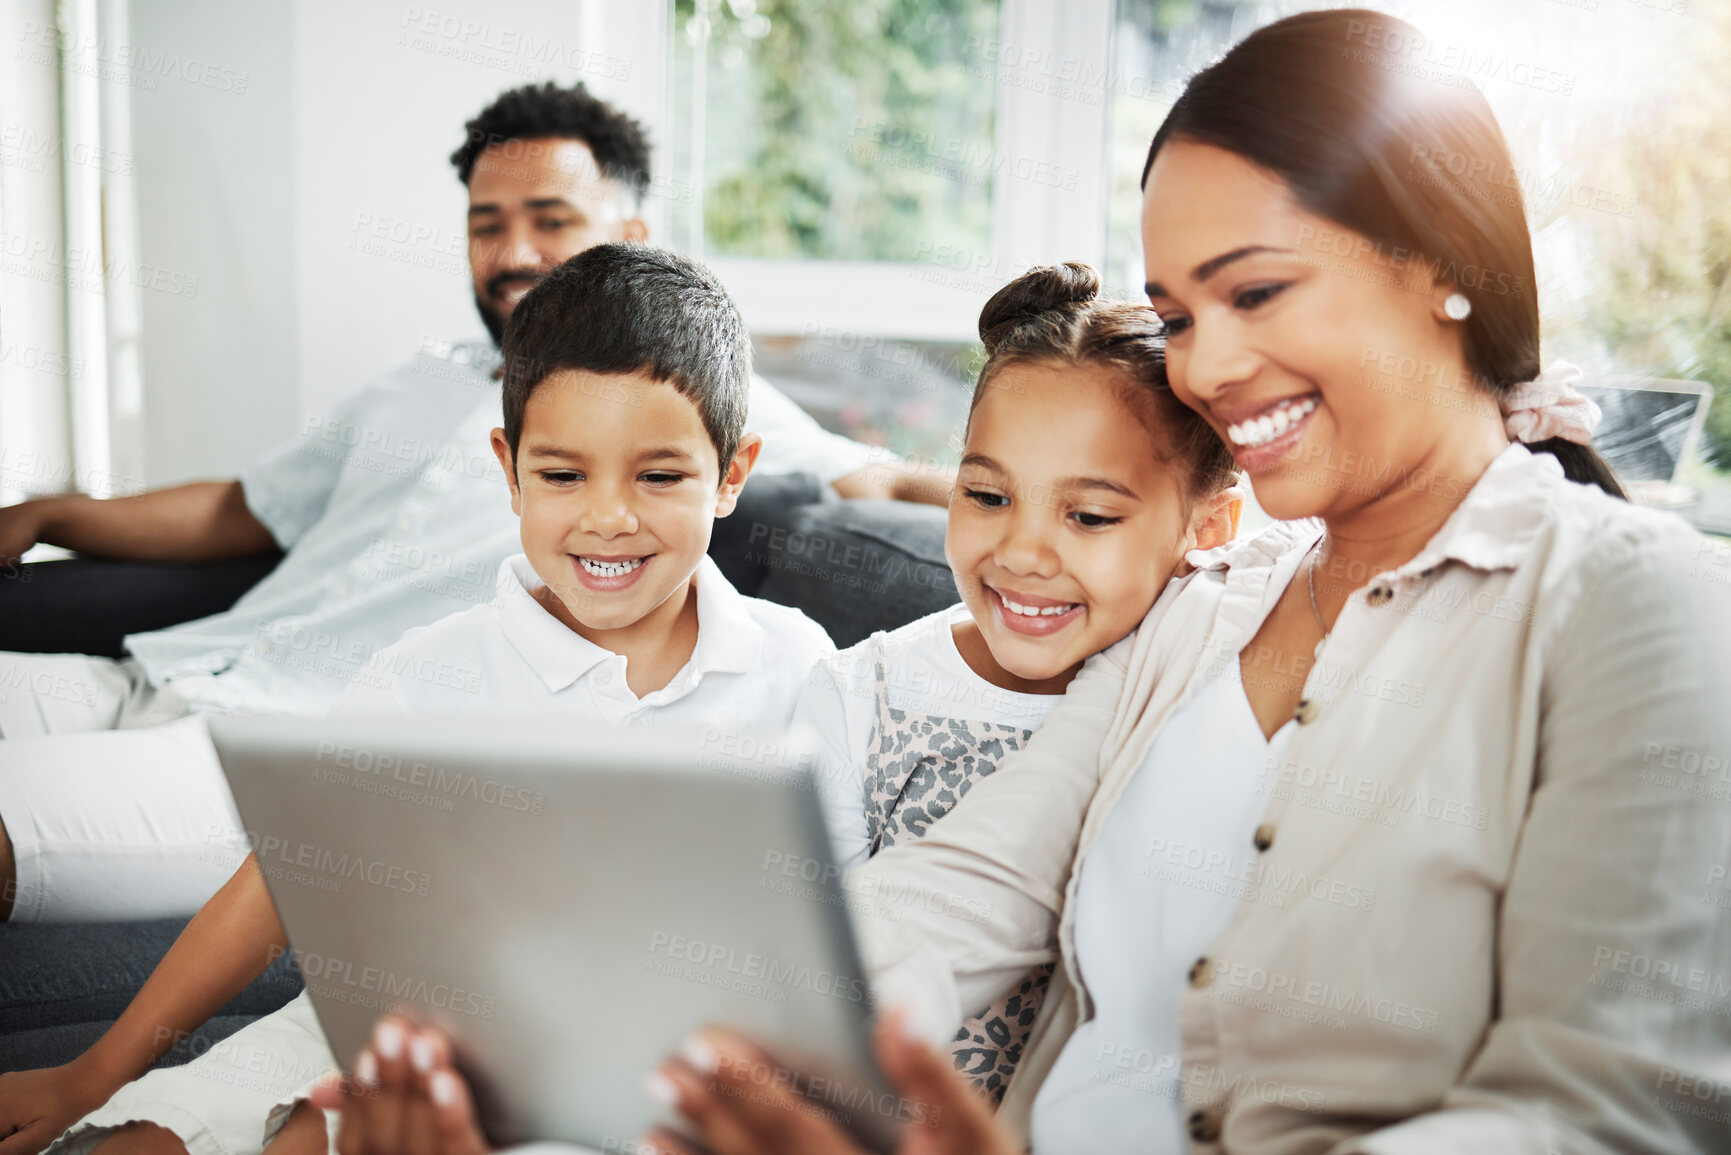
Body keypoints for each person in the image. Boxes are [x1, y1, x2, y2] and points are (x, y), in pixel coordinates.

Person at [303, 10, 1731, 1154]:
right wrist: (591, 1063)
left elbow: (1595, 1111)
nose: (1208, 366)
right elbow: (948, 899)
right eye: (1178, 314)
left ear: (1442, 265)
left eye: (1256, 292)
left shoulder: (1629, 612)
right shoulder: (1197, 614)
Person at [0, 81, 947, 927]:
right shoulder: (419, 380)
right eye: (486, 222)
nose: (513, 250)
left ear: (630, 238)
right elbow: (249, 509)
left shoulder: (680, 401)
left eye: (550, 218)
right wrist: (55, 513)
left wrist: (1045, 504)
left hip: (280, 744)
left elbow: (888, 479)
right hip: (163, 669)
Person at [3, 243, 837, 1155]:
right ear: (509, 468)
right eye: (563, 475)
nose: (608, 516)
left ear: (732, 473)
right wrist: (99, 1069)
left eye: (659, 475)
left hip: (633, 1076)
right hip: (378, 1029)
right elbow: (286, 876)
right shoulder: (431, 668)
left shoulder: (793, 667)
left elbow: (828, 934)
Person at [790, 263, 1238, 1104]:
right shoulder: (861, 693)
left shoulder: (1205, 693)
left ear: (1207, 526)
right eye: (986, 494)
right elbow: (803, 973)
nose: (1023, 554)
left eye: (1089, 516)